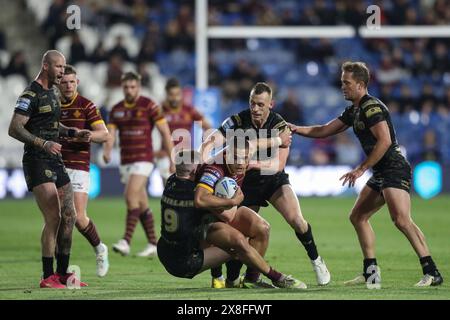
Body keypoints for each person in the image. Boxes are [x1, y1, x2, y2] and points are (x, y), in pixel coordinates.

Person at [288, 61, 443, 287]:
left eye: (346, 83)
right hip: (381, 171)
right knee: (358, 216)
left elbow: (385, 141)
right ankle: (371, 272)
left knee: (401, 220)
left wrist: (361, 168)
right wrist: (295, 128)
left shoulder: (372, 108)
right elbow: (323, 130)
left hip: (394, 168)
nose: (343, 86)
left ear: (360, 85)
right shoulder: (355, 110)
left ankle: (432, 271)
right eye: (342, 82)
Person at [201, 82, 331, 287]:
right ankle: (238, 279)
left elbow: (277, 165)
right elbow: (214, 138)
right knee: (241, 234)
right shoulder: (237, 120)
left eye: (261, 104)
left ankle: (316, 261)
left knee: (296, 220)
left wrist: (250, 162)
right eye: (252, 103)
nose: (255, 109)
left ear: (271, 104)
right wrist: (204, 153)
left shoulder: (281, 126)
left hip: (273, 180)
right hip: (246, 184)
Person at [157, 149, 306, 289]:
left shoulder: (171, 182)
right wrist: (232, 201)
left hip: (165, 250)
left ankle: (228, 279)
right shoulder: (194, 191)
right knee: (241, 244)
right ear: (196, 170)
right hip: (185, 261)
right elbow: (227, 215)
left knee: (221, 229)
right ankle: (277, 277)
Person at [8, 50, 90, 288]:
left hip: (55, 160)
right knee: (53, 216)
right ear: (45, 66)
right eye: (58, 67)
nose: (62, 72)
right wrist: (43, 143)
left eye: (64, 68)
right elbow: (15, 128)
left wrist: (73, 132)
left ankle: (63, 274)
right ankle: (47, 276)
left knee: (70, 216)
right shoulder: (30, 94)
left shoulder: (52, 93)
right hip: (37, 160)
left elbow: (54, 125)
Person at [103, 71, 174, 257]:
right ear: (122, 87)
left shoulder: (149, 106)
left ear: (139, 87)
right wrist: (107, 150)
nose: (129, 90)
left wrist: (173, 160)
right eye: (126, 87)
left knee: (130, 195)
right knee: (140, 203)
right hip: (126, 160)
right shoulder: (116, 109)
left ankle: (126, 241)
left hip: (144, 158)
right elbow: (111, 134)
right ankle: (153, 243)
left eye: (133, 87)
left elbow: (165, 133)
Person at [58, 64, 110, 277]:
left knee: (79, 218)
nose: (69, 85)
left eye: (72, 82)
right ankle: (58, 270)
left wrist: (88, 135)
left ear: (77, 82)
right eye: (64, 82)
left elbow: (104, 134)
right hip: (56, 166)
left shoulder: (86, 105)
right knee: (59, 219)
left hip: (78, 167)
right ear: (58, 84)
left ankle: (99, 248)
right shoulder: (52, 106)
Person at [154, 77, 212, 186]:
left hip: (186, 157)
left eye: (177, 94)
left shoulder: (188, 110)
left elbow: (208, 128)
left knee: (186, 189)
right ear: (166, 94)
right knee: (169, 187)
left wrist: (205, 148)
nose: (175, 98)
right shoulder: (159, 110)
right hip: (166, 155)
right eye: (171, 94)